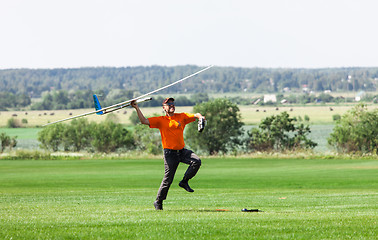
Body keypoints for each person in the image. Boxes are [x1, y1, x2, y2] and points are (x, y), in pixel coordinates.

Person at [131, 97, 204, 210]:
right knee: (168, 179)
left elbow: (197, 115)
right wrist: (136, 107)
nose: (171, 106)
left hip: (182, 151)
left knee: (196, 161)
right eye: (168, 104)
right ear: (164, 108)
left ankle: (184, 182)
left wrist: (201, 118)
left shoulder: (182, 116)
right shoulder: (160, 120)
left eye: (173, 104)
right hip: (170, 153)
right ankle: (158, 201)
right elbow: (144, 121)